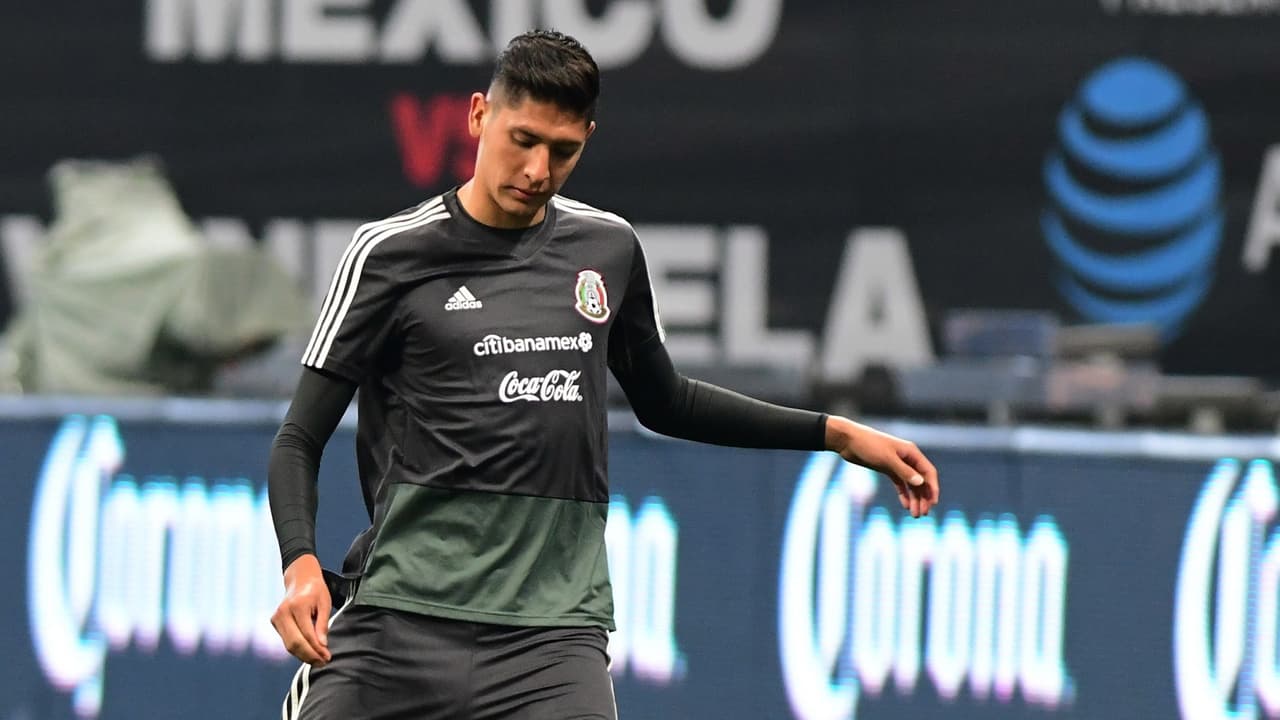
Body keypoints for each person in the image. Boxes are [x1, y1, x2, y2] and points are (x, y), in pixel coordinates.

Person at [267, 29, 939, 720]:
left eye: (563, 151)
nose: (538, 169)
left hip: (551, 641)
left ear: (587, 138)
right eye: (523, 140)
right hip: (399, 621)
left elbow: (667, 401)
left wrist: (835, 434)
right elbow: (298, 439)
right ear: (478, 116)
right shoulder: (387, 254)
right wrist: (300, 564)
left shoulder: (607, 249)